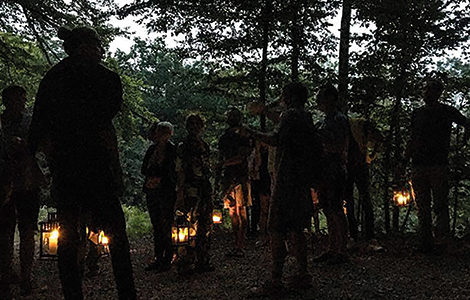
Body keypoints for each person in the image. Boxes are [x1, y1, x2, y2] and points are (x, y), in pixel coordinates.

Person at [28, 27, 136, 299]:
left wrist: (41, 163)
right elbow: (106, 117)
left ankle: (72, 294)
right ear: (86, 46)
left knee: (67, 234)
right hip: (97, 166)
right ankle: (127, 292)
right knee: (116, 233)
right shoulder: (107, 79)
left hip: (65, 168)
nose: (102, 51)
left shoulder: (52, 79)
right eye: (99, 45)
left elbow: (38, 127)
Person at [246, 82, 320, 292]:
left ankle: (276, 279)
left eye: (283, 94)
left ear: (289, 96)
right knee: (296, 228)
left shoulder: (291, 116)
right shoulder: (305, 116)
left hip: (286, 178)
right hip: (301, 179)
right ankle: (302, 275)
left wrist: (252, 132)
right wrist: (266, 111)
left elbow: (277, 138)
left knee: (276, 227)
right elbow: (282, 122)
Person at [404, 79, 470, 253]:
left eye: (430, 90)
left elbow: (466, 123)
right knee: (423, 205)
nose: (427, 93)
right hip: (421, 164)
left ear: (438, 93)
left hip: (437, 164)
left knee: (439, 205)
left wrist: (462, 142)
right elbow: (412, 138)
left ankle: (439, 242)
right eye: (426, 89)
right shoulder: (418, 113)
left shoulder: (446, 111)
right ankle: (427, 242)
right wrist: (405, 160)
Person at [0, 86, 43, 296]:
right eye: (18, 99)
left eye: (23, 99)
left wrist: (25, 145)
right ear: (7, 101)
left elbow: (40, 147)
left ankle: (26, 277)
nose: (22, 103)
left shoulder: (30, 122)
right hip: (4, 182)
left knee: (27, 231)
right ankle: (6, 277)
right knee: (5, 232)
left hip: (27, 181)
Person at [314, 83, 349, 264]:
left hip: (334, 168)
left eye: (322, 97)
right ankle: (332, 247)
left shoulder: (339, 120)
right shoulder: (323, 121)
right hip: (324, 169)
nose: (319, 101)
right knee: (327, 208)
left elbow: (339, 146)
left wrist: (322, 142)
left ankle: (341, 250)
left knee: (336, 208)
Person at [175, 114, 214, 274]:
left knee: (205, 224)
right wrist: (180, 191)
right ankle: (186, 261)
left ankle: (202, 260)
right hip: (190, 189)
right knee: (186, 224)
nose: (195, 127)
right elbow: (180, 170)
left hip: (204, 188)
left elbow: (206, 167)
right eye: (192, 124)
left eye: (198, 124)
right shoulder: (183, 146)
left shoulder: (204, 145)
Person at [141, 121, 177, 272]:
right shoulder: (152, 150)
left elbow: (172, 171)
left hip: (166, 191)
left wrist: (158, 175)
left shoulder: (171, 150)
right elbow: (144, 169)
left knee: (166, 224)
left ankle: (167, 258)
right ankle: (158, 257)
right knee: (156, 225)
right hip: (152, 190)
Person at [217, 108, 252, 257]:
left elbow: (243, 156)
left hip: (241, 177)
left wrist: (223, 165)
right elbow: (221, 156)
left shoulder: (244, 135)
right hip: (229, 177)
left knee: (242, 210)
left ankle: (240, 245)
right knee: (233, 211)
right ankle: (236, 244)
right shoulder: (224, 137)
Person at [344, 118, 383, 241]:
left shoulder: (358, 127)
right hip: (352, 166)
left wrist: (371, 155)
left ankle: (365, 235)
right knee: (353, 200)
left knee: (360, 199)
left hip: (357, 166)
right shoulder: (352, 126)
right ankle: (358, 234)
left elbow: (379, 140)